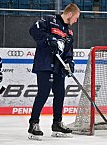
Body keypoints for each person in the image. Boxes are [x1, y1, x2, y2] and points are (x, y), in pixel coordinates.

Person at [28, 3, 80, 140]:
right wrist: (49, 39)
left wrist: (69, 63)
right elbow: (34, 30)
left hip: (58, 67)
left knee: (60, 94)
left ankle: (57, 123)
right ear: (69, 14)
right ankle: (33, 123)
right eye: (75, 18)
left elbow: (68, 51)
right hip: (45, 64)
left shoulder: (69, 32)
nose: (76, 21)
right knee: (43, 93)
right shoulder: (49, 20)